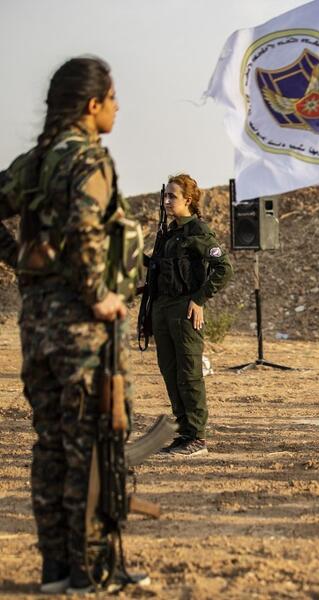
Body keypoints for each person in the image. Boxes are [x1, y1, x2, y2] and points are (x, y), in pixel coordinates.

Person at [0, 57, 143, 592]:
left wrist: (19, 257)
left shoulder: (32, 162)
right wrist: (98, 295)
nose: (118, 107)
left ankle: (56, 568)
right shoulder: (87, 160)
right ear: (92, 105)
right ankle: (92, 572)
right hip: (83, 332)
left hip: (36, 327)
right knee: (94, 444)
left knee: (52, 445)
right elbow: (87, 228)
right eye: (113, 97)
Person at [152, 173, 232, 457]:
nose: (166, 201)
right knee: (171, 374)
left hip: (185, 310)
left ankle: (197, 437)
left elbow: (224, 268)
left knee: (189, 375)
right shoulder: (169, 233)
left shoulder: (197, 230)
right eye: (165, 196)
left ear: (188, 200)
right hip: (163, 309)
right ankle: (184, 433)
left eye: (172, 196)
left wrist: (199, 300)